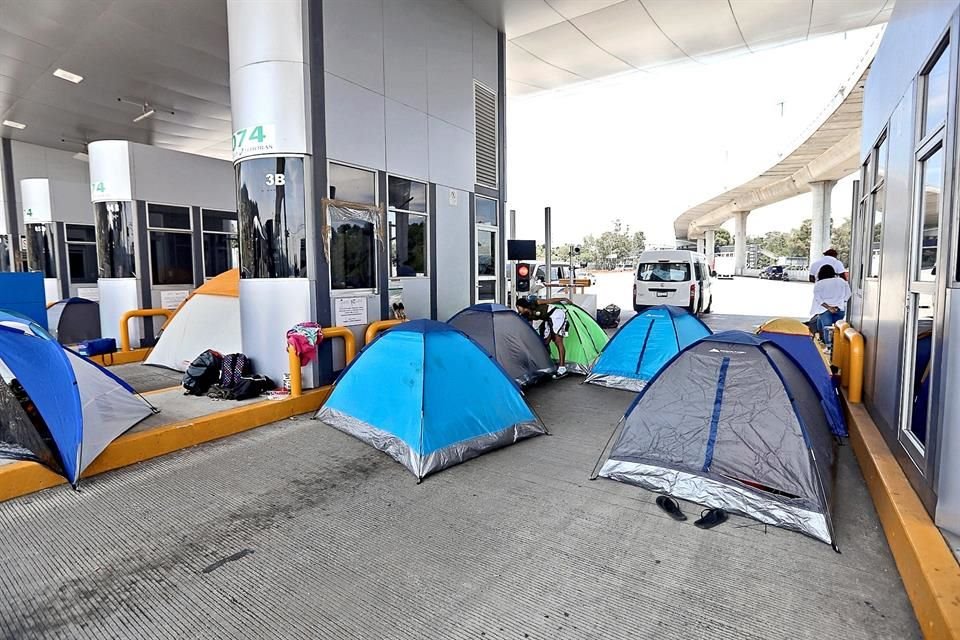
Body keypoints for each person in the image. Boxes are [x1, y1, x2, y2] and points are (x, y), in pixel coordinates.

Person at [516, 295, 569, 378]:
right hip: (548, 319)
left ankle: (562, 368)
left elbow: (549, 301)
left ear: (522, 306)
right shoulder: (526, 315)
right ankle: (547, 364)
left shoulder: (535, 303)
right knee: (545, 342)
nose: (518, 310)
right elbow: (529, 328)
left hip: (556, 315)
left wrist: (563, 299)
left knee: (558, 341)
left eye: (518, 307)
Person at [810, 264, 851, 347]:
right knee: (837, 329)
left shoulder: (819, 283)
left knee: (827, 328)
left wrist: (829, 307)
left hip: (824, 310)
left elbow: (818, 298)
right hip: (839, 309)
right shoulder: (841, 281)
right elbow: (848, 294)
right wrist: (840, 303)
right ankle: (836, 346)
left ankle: (827, 345)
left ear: (821, 273)